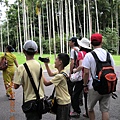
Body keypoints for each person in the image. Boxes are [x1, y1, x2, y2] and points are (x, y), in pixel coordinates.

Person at [82, 33, 115, 120]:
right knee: (105, 110)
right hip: (107, 85)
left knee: (90, 108)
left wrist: (85, 85)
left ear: (91, 43)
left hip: (94, 86)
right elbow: (113, 70)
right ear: (102, 42)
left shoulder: (89, 55)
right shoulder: (108, 55)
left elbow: (86, 73)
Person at [13, 40, 44, 120]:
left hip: (29, 101)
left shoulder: (21, 67)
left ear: (23, 51)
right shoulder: (39, 65)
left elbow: (15, 86)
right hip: (40, 100)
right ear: (36, 52)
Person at [43, 53, 71, 120]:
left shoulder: (60, 76)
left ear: (60, 62)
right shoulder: (61, 72)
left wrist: (40, 72)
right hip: (65, 101)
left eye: (56, 59)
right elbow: (50, 74)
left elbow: (46, 83)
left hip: (63, 103)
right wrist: (46, 64)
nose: (54, 61)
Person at [70, 38, 91, 118]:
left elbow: (81, 65)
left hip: (82, 77)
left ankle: (76, 111)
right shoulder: (89, 53)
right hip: (90, 77)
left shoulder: (81, 53)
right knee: (86, 96)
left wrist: (75, 70)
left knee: (75, 94)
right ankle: (88, 111)